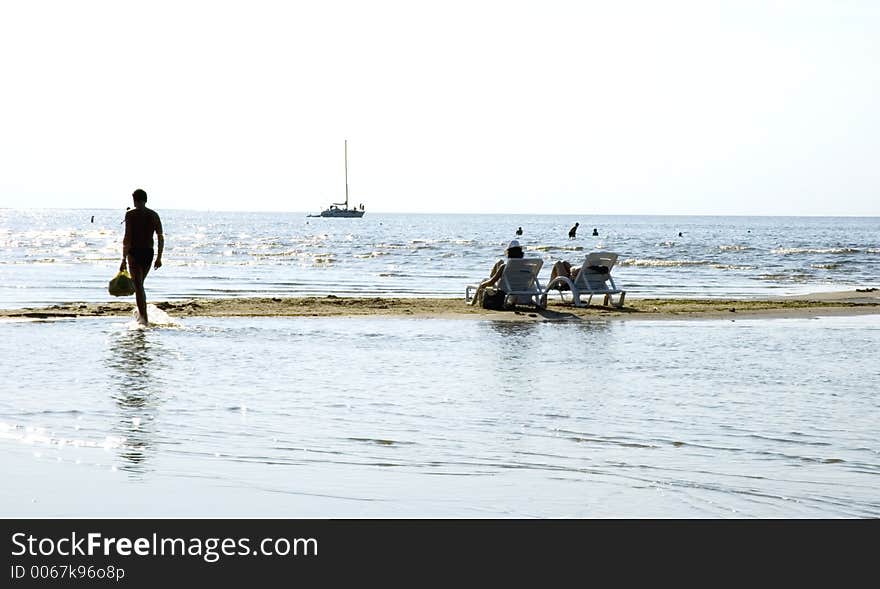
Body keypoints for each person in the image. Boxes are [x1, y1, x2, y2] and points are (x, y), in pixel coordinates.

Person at [120, 188, 164, 325]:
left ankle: (143, 319)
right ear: (146, 200)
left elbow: (127, 237)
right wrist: (159, 257)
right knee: (139, 285)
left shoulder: (130, 214)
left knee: (138, 286)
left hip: (135, 252)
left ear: (134, 200)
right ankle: (142, 315)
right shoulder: (154, 215)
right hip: (148, 253)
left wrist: (123, 259)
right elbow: (160, 237)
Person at [469, 239, 525, 306]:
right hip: (520, 287)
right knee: (500, 262)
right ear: (521, 253)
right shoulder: (527, 266)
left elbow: (491, 282)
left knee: (484, 280)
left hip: (505, 288)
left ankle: (473, 302)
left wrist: (482, 285)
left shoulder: (504, 267)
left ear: (509, 253)